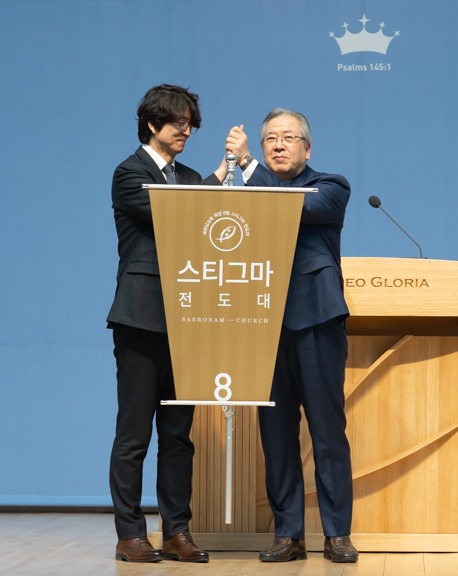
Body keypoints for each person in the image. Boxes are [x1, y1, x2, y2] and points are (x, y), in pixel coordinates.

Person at [225, 109, 359, 563]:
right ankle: (288, 533)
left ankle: (337, 533)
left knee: (327, 432)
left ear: (307, 147)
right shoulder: (245, 191)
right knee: (277, 435)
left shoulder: (329, 186)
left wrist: (248, 165)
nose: (278, 145)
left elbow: (291, 208)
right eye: (269, 140)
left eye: (287, 138)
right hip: (261, 325)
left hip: (315, 322)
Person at [107, 84, 226, 563]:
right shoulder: (129, 173)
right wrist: (219, 177)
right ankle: (130, 535)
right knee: (134, 434)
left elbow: (210, 227)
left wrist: (220, 181)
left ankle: (177, 532)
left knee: (178, 436)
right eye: (178, 122)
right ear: (152, 124)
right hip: (140, 317)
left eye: (191, 124)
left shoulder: (191, 177)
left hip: (188, 317)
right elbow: (175, 212)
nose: (186, 131)